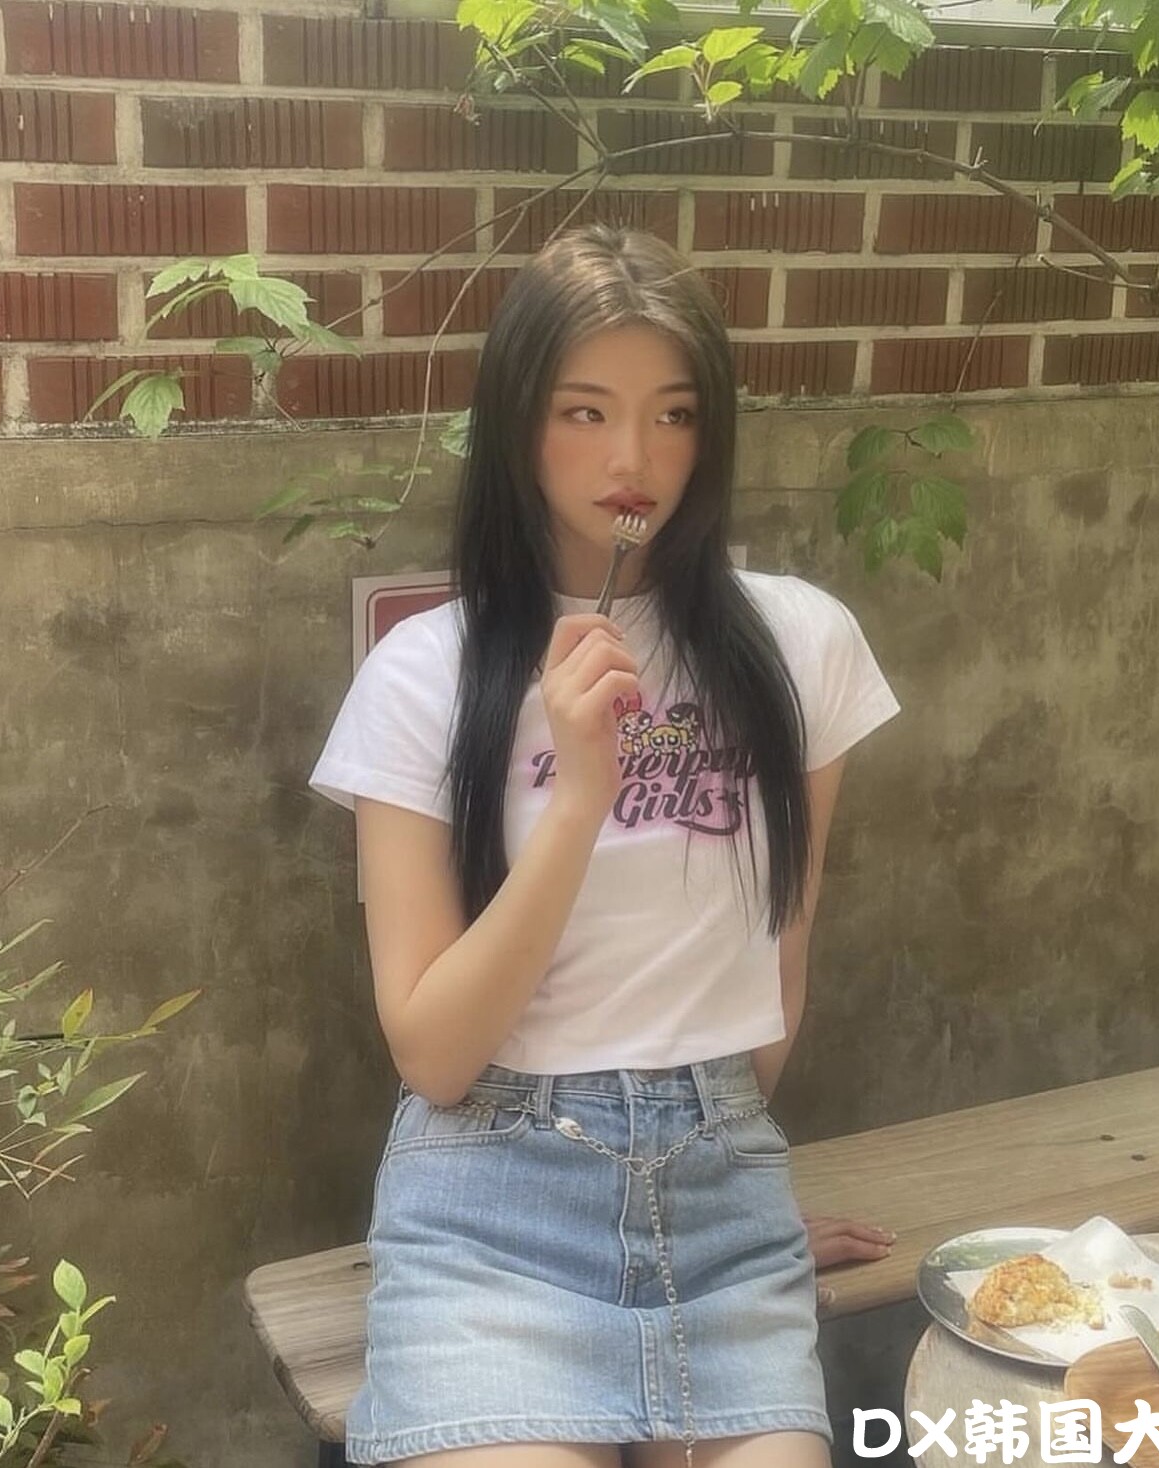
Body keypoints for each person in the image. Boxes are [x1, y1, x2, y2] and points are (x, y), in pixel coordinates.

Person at [309, 224, 901, 1468]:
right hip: (490, 1220)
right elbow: (434, 1052)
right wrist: (580, 798)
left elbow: (777, 966)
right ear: (519, 425)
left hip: (720, 1203)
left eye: (673, 414)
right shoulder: (424, 675)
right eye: (585, 412)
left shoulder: (802, 646)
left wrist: (704, 1180)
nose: (634, 459)